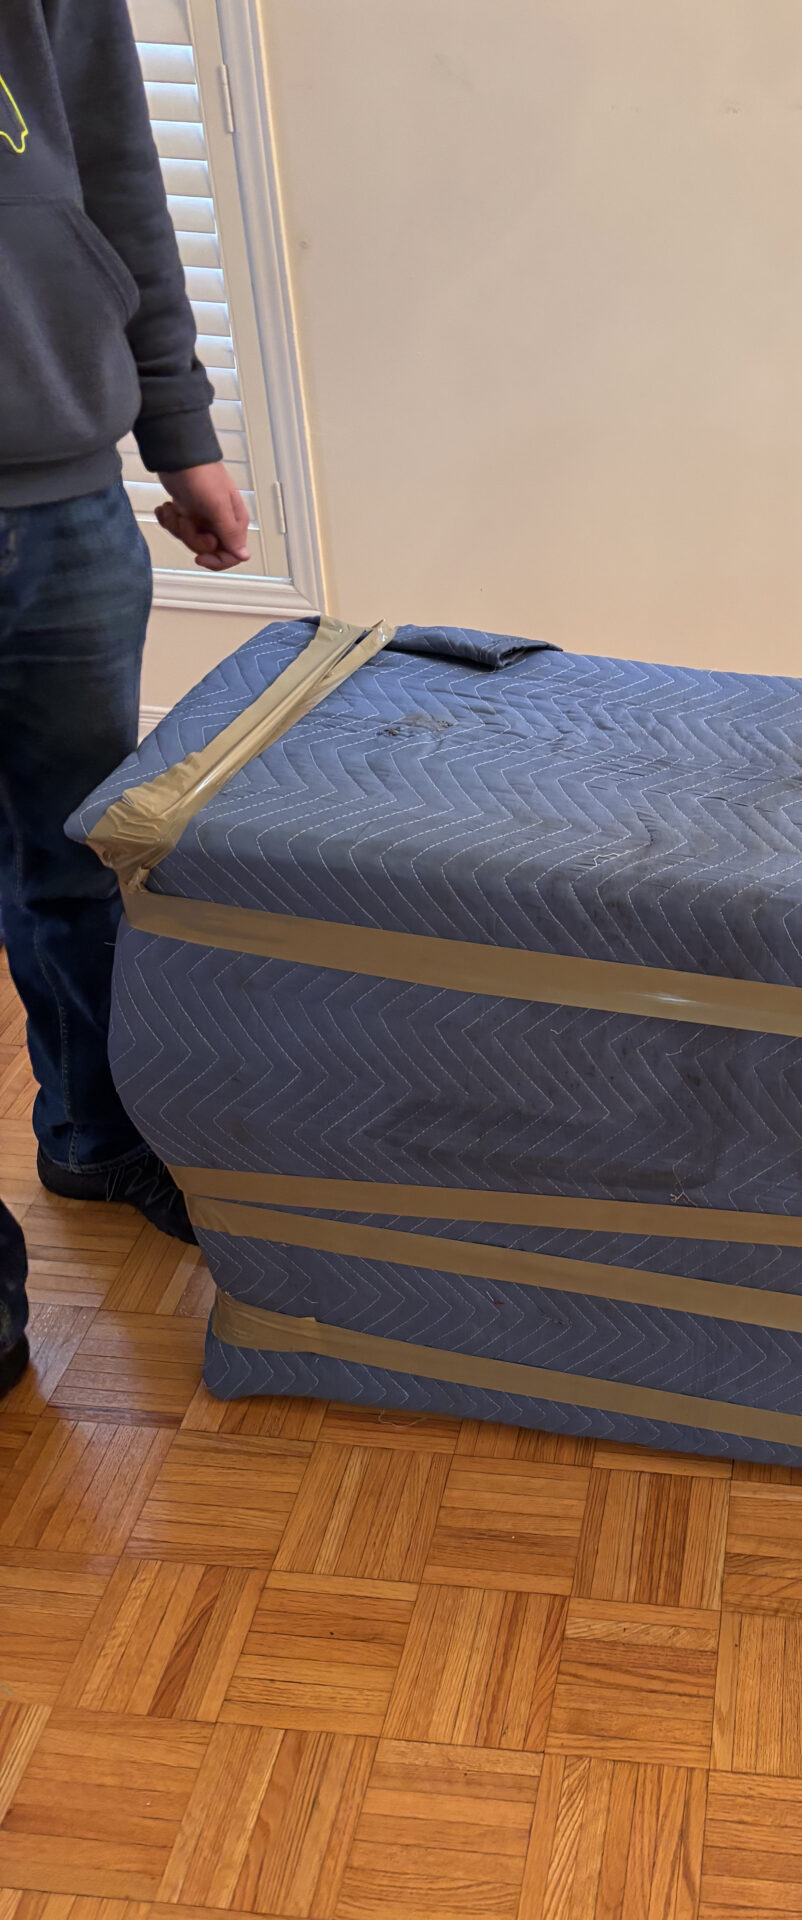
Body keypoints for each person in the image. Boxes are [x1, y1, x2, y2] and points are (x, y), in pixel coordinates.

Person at [0, 0, 250, 1399]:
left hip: (64, 496)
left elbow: (115, 170)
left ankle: (99, 1131)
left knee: (84, 860)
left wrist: (181, 426)